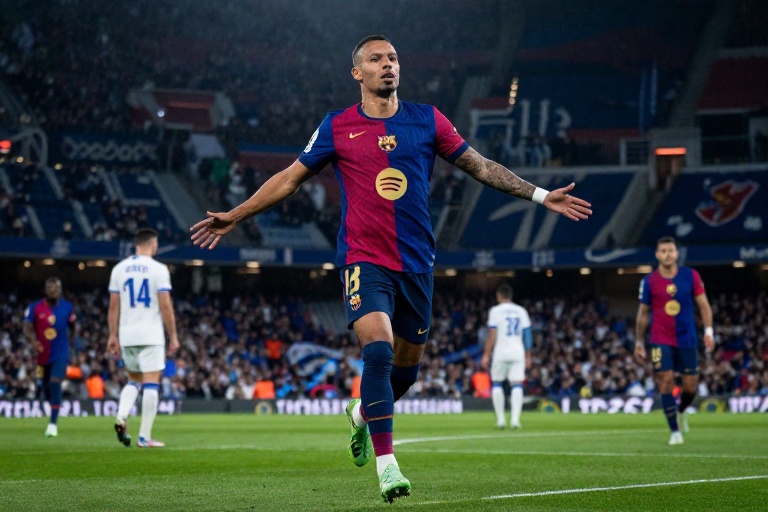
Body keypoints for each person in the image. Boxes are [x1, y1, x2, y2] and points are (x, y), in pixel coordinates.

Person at [189, 35, 592, 502]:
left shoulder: (428, 119)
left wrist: (541, 195)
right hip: (363, 258)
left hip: (417, 263)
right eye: (376, 59)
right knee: (377, 352)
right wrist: (236, 215)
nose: (388, 65)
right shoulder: (338, 125)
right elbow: (290, 179)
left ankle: (360, 414)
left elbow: (481, 167)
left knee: (405, 374)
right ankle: (388, 466)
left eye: (394, 58)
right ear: (357, 73)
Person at [634, 236, 714, 445]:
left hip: (687, 338)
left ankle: (681, 410)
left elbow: (704, 306)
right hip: (660, 338)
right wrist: (639, 342)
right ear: (657, 255)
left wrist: (709, 331)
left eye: (671, 250)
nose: (667, 254)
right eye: (663, 251)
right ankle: (674, 431)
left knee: (691, 386)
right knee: (666, 380)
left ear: (677, 253)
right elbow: (643, 313)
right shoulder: (649, 281)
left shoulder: (691, 276)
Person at [107, 228, 179, 448]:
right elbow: (165, 305)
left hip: (127, 334)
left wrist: (112, 335)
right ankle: (144, 437)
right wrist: (173, 334)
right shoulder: (158, 269)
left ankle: (121, 416)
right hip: (151, 334)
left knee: (133, 380)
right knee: (151, 383)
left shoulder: (119, 269)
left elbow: (113, 307)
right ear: (153, 244)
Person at [23, 277, 77, 437]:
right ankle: (55, 405)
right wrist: (33, 342)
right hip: (43, 355)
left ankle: (53, 424)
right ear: (45, 290)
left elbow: (73, 327)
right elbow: (26, 327)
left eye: (57, 288)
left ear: (60, 290)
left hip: (60, 352)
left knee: (55, 383)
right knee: (46, 389)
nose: (54, 291)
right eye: (51, 288)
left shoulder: (67, 307)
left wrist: (70, 343)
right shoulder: (35, 307)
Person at [481, 284, 532, 430]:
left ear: (499, 296)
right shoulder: (521, 311)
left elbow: (492, 334)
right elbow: (527, 336)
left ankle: (501, 420)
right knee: (517, 384)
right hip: (518, 352)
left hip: (501, 352)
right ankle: (515, 420)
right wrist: (528, 356)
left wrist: (486, 354)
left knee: (497, 383)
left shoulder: (495, 311)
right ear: (510, 296)